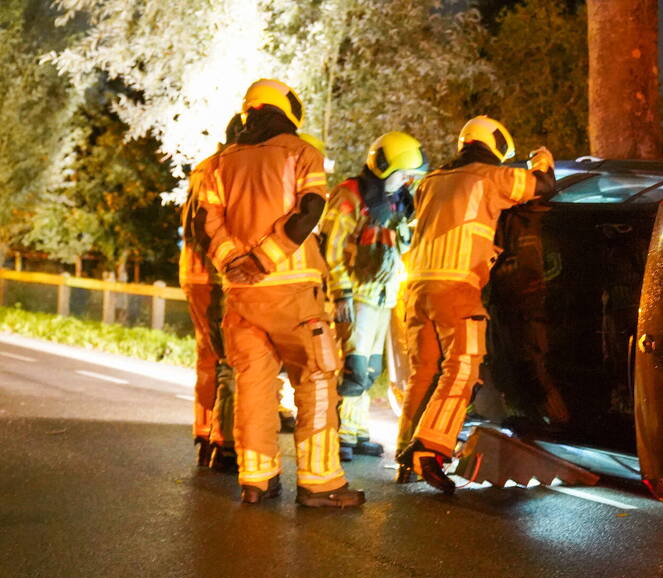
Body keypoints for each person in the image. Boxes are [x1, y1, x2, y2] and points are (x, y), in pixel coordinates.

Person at [198, 78, 364, 508]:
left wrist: (235, 261)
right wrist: (266, 258)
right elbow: (309, 210)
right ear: (287, 110)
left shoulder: (219, 163)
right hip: (292, 293)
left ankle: (256, 480)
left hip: (241, 295)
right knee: (316, 380)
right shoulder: (301, 151)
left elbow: (206, 224)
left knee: (253, 384)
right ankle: (321, 484)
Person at [395, 115, 555, 492]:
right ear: (496, 145)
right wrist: (542, 160)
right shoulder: (491, 177)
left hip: (417, 290)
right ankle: (430, 449)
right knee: (462, 368)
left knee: (423, 373)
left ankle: (406, 451)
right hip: (457, 288)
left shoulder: (429, 182)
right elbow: (542, 186)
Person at [322, 131, 427, 461]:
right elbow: (330, 248)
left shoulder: (397, 201)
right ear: (385, 168)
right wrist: (341, 293)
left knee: (369, 368)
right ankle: (339, 433)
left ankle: (355, 431)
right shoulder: (350, 196)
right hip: (356, 296)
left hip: (384, 296)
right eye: (403, 174)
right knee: (353, 366)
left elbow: (402, 246)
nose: (408, 180)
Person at [180, 114, 243, 472]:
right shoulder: (226, 168)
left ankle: (205, 432)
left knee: (207, 355)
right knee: (226, 356)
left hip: (194, 270)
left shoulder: (204, 167)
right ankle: (224, 438)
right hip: (216, 273)